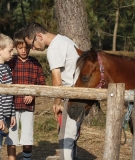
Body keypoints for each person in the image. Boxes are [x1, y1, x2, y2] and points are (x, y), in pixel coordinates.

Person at [23, 22, 80, 160]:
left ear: (39, 36)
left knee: (65, 137)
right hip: (77, 92)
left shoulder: (54, 48)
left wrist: (57, 102)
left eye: (32, 45)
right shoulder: (64, 40)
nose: (33, 49)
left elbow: (57, 80)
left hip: (71, 94)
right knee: (71, 135)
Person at [5, 28, 46, 160]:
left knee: (27, 137)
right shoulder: (10, 63)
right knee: (12, 136)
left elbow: (41, 83)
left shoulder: (35, 63)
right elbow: (4, 84)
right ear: (16, 47)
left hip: (28, 107)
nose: (23, 51)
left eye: (26, 48)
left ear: (30, 47)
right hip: (12, 106)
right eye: (20, 47)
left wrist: (32, 94)